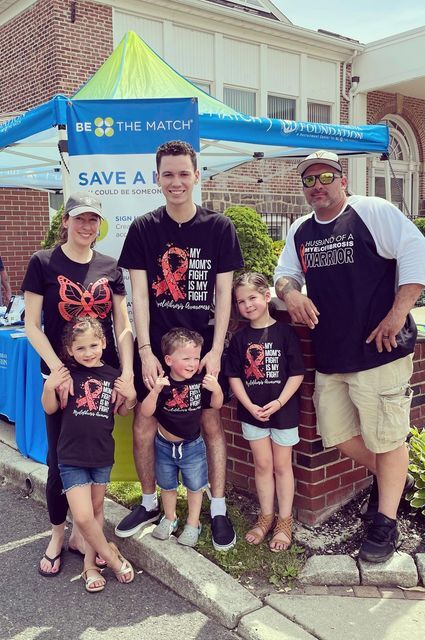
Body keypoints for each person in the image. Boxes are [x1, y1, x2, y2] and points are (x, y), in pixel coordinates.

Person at [274, 150, 425, 563]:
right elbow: (284, 274)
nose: (317, 186)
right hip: (332, 355)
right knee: (338, 434)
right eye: (308, 180)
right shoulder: (300, 230)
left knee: (387, 436)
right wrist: (290, 293)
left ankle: (385, 521)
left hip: (380, 351)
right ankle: (394, 477)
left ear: (343, 179)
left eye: (325, 176)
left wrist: (397, 315)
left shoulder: (372, 212)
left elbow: (419, 254)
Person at [116, 140, 244, 550]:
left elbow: (224, 295)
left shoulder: (219, 228)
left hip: (202, 350)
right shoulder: (142, 229)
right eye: (167, 174)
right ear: (157, 178)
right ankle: (151, 503)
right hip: (157, 351)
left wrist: (217, 350)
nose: (176, 181)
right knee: (144, 422)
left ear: (197, 176)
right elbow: (138, 296)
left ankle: (218, 509)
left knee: (210, 422)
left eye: (183, 173)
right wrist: (146, 351)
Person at [22, 191, 134, 577]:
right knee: (59, 459)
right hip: (60, 376)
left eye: (93, 221)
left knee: (96, 450)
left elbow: (122, 325)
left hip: (103, 375)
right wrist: (57, 370)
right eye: (80, 219)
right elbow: (32, 326)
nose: (87, 227)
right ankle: (57, 533)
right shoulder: (43, 262)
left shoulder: (110, 266)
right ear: (65, 221)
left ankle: (84, 534)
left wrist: (129, 374)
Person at [42, 318, 136, 592]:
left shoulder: (112, 375)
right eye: (80, 348)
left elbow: (122, 411)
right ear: (70, 350)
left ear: (104, 344)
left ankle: (90, 566)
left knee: (96, 511)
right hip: (71, 457)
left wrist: (129, 396)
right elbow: (50, 409)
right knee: (82, 517)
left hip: (101, 455)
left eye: (93, 345)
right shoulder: (67, 375)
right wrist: (50, 386)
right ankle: (112, 558)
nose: (88, 352)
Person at [226, 272, 305, 551]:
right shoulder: (239, 338)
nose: (247, 305)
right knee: (262, 465)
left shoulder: (285, 333)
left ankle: (285, 521)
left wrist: (280, 402)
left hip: (282, 412)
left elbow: (297, 373)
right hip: (253, 412)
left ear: (266, 297)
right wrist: (249, 405)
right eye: (241, 301)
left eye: (252, 298)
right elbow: (234, 376)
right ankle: (266, 516)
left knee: (282, 466)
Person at [140, 328, 223, 547]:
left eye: (196, 358)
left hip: (192, 446)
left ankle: (193, 523)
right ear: (168, 359)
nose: (193, 363)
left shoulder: (199, 381)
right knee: (167, 485)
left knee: (195, 486)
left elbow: (216, 405)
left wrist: (216, 390)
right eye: (186, 358)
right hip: (164, 445)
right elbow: (147, 412)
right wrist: (155, 391)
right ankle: (170, 518)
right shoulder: (163, 384)